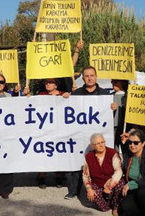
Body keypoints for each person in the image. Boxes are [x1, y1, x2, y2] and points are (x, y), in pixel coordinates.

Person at [64, 66, 111, 200]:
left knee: (100, 162)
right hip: (80, 134)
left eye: (92, 75)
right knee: (77, 162)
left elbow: (107, 115)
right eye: (87, 76)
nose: (90, 78)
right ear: (83, 78)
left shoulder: (105, 95)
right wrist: (65, 99)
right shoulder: (76, 94)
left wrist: (112, 108)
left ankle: (102, 190)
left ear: (96, 77)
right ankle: (74, 191)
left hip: (97, 135)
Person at [24, 78, 67, 188]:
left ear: (56, 85)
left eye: (51, 82)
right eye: (46, 82)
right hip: (44, 129)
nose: (48, 84)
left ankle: (58, 177)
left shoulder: (63, 95)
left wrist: (69, 96)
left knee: (58, 152)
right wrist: (28, 97)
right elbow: (33, 104)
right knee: (44, 153)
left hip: (59, 129)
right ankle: (42, 177)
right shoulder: (41, 94)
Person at [83, 133, 124, 216]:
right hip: (98, 184)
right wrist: (88, 188)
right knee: (97, 201)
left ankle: (116, 207)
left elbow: (118, 171)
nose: (101, 145)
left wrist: (110, 184)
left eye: (103, 142)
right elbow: (85, 175)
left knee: (121, 183)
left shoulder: (112, 153)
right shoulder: (89, 156)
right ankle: (108, 204)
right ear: (93, 146)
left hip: (111, 182)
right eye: (98, 143)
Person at [110, 79, 128, 153]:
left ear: (123, 82)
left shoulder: (128, 96)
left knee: (125, 149)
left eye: (116, 82)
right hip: (113, 126)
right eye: (112, 82)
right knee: (114, 149)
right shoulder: (110, 96)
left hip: (124, 127)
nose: (113, 84)